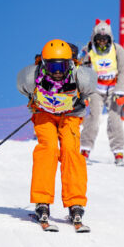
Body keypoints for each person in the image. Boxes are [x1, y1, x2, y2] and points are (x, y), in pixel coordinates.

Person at [17, 39, 97, 227]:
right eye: (53, 66)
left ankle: (75, 202)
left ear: (70, 63)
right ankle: (42, 200)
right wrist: (33, 99)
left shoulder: (82, 77)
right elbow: (22, 88)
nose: (58, 71)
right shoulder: (30, 77)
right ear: (44, 64)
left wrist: (81, 100)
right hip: (44, 114)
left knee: (70, 150)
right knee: (49, 148)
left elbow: (91, 91)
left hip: (70, 116)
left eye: (62, 65)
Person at [79, 19, 124, 166]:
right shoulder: (87, 49)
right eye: (99, 40)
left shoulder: (117, 50)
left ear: (110, 39)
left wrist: (121, 91)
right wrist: (84, 94)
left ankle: (118, 152)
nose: (102, 42)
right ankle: (85, 149)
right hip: (95, 90)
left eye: (105, 39)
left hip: (113, 89)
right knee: (94, 118)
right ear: (94, 39)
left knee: (114, 119)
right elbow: (80, 72)